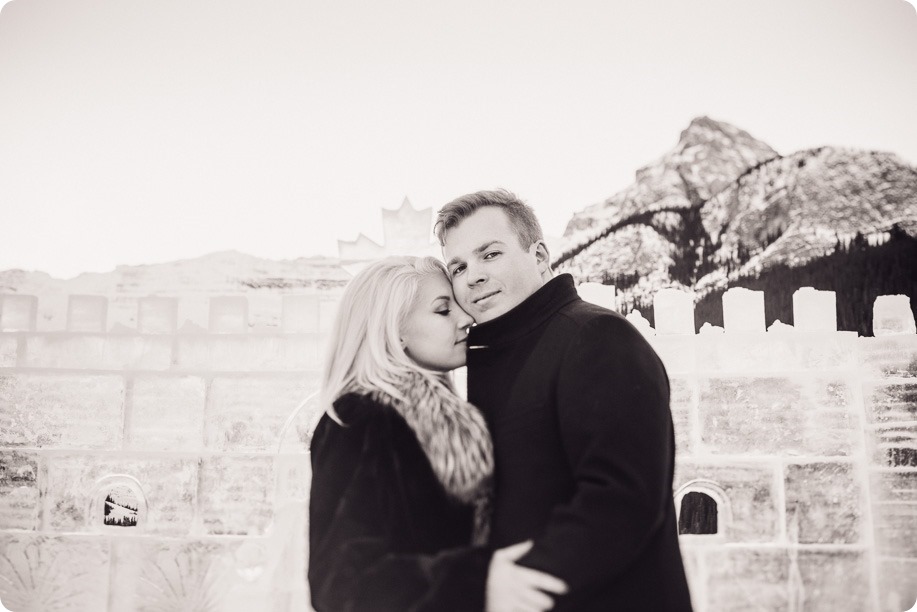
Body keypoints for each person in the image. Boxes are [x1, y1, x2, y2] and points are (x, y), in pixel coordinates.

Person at [436, 190, 693, 611]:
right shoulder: (508, 354)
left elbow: (621, 500)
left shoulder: (595, 337)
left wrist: (502, 589)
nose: (473, 276)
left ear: (539, 256)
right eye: (458, 266)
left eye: (490, 254)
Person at [308, 256, 567, 612]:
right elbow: (340, 583)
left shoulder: (450, 417)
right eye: (443, 310)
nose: (466, 320)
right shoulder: (359, 418)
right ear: (393, 329)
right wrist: (478, 580)